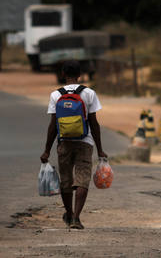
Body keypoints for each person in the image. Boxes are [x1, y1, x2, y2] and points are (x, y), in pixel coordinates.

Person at [40, 60, 107, 230]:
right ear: (80, 75)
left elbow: (53, 125)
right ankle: (77, 218)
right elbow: (94, 123)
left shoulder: (56, 95)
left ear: (63, 74)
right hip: (85, 142)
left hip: (64, 143)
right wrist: (100, 149)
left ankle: (68, 214)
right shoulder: (89, 93)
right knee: (82, 179)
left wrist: (47, 150)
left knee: (66, 180)